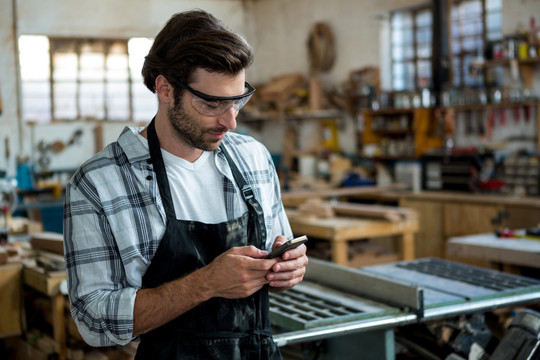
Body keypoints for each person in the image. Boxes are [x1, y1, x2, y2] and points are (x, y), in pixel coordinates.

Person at [63, 9, 308, 359]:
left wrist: (288, 268)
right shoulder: (99, 184)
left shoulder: (253, 159)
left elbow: (275, 254)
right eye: (211, 104)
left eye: (238, 101)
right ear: (165, 89)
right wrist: (206, 284)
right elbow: (94, 321)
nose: (230, 121)